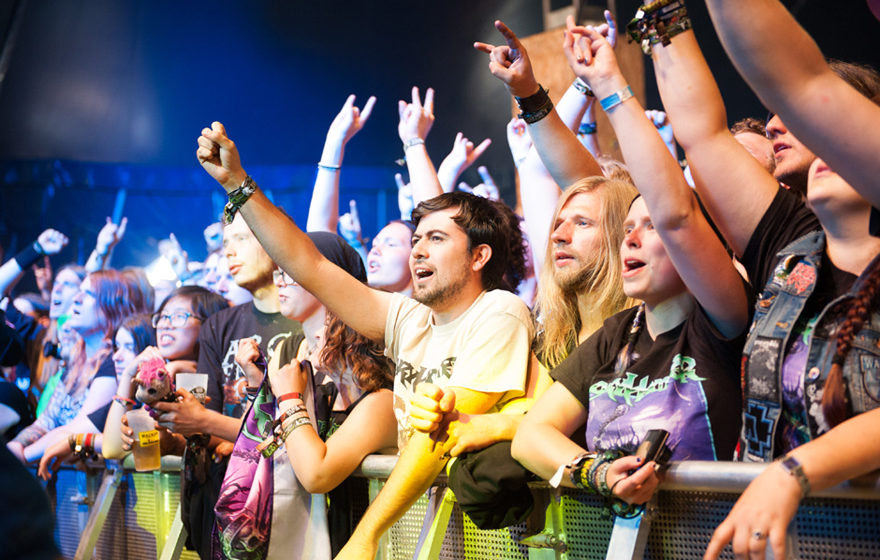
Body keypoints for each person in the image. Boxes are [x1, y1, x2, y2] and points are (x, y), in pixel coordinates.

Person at [196, 121, 533, 559]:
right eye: (416, 239)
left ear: (478, 256)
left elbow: (438, 436)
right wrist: (237, 183)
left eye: (436, 239)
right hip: (417, 529)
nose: (418, 250)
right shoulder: (410, 318)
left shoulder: (499, 310)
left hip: (482, 538)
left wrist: (366, 533)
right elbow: (310, 266)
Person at [501, 17, 749, 508]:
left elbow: (675, 212)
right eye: (628, 228)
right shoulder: (618, 334)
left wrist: (608, 84)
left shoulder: (721, 323)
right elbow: (531, 436)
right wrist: (596, 472)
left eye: (651, 227)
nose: (630, 238)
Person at [219, 231, 396, 559]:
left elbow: (316, 473)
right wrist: (260, 389)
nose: (315, 337)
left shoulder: (381, 401)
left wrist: (288, 398)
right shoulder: (317, 379)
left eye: (329, 326)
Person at [146, 214, 301, 560]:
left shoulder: (302, 321)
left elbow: (297, 433)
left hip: (288, 499)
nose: (229, 252)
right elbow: (204, 421)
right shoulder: (218, 325)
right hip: (225, 499)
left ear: (277, 240)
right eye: (226, 243)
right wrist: (172, 437)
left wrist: (207, 424)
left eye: (242, 239)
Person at [7, 269, 150, 462]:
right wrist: (17, 444)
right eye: (79, 291)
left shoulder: (114, 363)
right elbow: (46, 421)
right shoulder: (76, 360)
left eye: (89, 294)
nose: (77, 299)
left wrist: (22, 457)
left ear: (111, 307)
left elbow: (78, 429)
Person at [36, 312, 155, 479]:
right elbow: (66, 435)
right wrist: (77, 446)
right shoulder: (122, 402)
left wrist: (77, 442)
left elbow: (114, 446)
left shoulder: (156, 397)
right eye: (117, 347)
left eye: (129, 348)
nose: (116, 357)